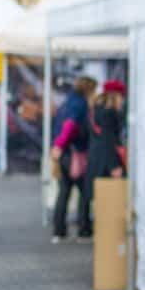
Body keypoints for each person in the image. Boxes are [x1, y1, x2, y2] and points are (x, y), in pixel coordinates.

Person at [50, 76, 97, 242]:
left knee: (64, 191)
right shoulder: (80, 104)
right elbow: (70, 126)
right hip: (73, 153)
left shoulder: (67, 102)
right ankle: (84, 229)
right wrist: (60, 145)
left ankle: (59, 230)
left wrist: (57, 147)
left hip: (64, 153)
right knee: (84, 192)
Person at [80, 80, 127, 236]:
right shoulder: (108, 113)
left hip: (96, 156)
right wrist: (114, 165)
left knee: (92, 195)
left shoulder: (95, 109)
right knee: (108, 197)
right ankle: (105, 230)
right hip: (106, 159)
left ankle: (86, 227)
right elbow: (108, 140)